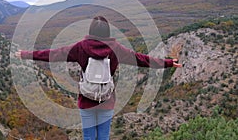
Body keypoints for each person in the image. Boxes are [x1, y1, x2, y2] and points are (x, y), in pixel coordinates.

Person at [15, 16, 182, 140]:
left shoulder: (81, 47)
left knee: (88, 136)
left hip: (86, 99)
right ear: (107, 31)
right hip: (106, 100)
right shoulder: (116, 48)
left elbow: (53, 54)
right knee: (103, 137)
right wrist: (168, 63)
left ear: (91, 31)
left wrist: (26, 55)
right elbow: (142, 59)